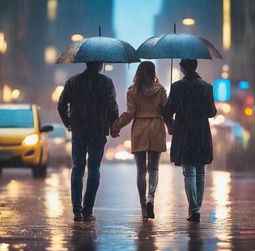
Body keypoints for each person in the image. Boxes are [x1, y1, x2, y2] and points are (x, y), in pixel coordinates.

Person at [58, 62, 119, 221]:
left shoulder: (72, 82)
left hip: (79, 130)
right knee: (94, 169)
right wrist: (114, 126)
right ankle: (87, 210)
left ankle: (77, 210)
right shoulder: (106, 82)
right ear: (100, 65)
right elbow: (112, 107)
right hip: (98, 131)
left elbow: (61, 105)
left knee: (77, 168)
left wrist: (68, 123)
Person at [111, 61, 168, 219]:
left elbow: (129, 114)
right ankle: (151, 198)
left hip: (140, 129)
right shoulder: (161, 89)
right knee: (154, 169)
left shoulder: (133, 91)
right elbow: (166, 111)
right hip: (156, 127)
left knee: (141, 170)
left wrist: (115, 126)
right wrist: (171, 126)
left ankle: (143, 203)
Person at [164, 59, 217, 222]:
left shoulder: (177, 87)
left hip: (184, 132)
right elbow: (211, 112)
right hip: (201, 132)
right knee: (200, 173)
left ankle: (194, 209)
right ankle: (196, 208)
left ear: (181, 68)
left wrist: (171, 126)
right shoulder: (207, 87)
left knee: (189, 174)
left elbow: (168, 111)